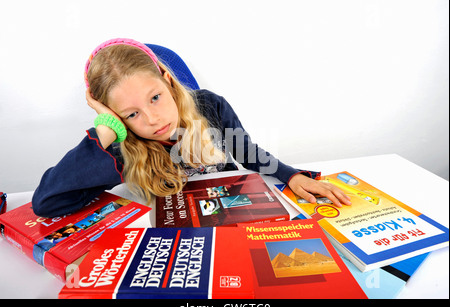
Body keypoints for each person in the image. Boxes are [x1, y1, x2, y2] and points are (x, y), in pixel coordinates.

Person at [32, 38, 351, 218]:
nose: (152, 119)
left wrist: (291, 174)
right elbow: (48, 202)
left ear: (168, 82)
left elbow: (247, 151)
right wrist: (105, 130)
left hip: (232, 215)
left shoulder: (210, 106)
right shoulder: (119, 146)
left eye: (155, 97)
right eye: (132, 114)